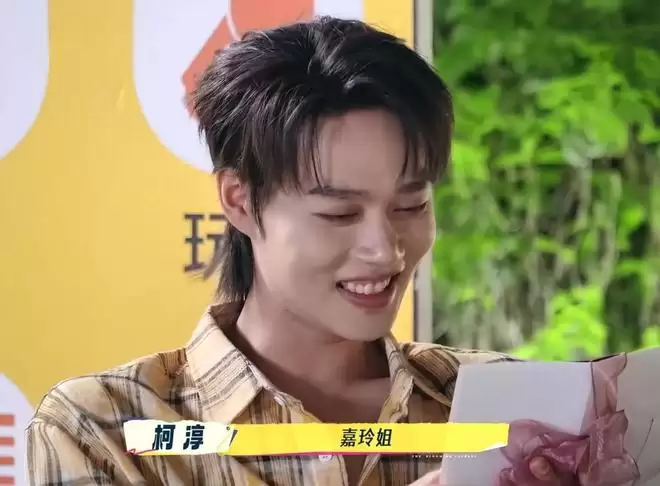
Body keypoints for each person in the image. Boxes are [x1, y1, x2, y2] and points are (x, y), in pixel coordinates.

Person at [26, 16, 573, 486]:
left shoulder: (506, 404)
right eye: (339, 214)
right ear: (240, 201)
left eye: (411, 205)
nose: (385, 250)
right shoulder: (107, 428)